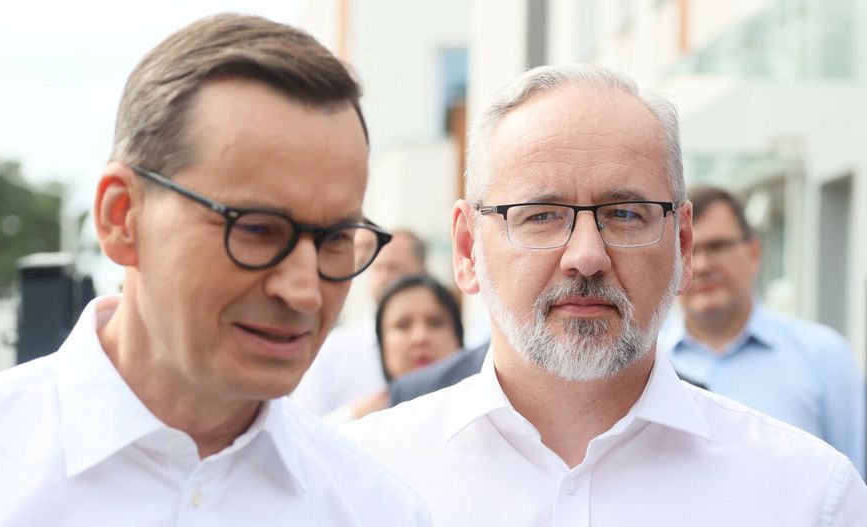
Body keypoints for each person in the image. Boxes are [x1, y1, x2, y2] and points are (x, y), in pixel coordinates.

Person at [0, 14, 430, 525]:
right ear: (122, 216)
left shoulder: (380, 509)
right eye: (257, 229)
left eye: (336, 239)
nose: (305, 291)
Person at [342, 64, 867, 525]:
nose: (586, 255)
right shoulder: (361, 485)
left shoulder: (806, 497)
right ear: (466, 248)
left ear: (683, 245)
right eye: (541, 216)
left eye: (625, 214)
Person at [660, 185, 866, 476]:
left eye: (718, 247)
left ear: (754, 253)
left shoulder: (824, 357)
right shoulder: (646, 362)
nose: (703, 265)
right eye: (689, 250)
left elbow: (855, 481)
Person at [292, 229, 427, 415]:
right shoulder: (332, 349)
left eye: (394, 268)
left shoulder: (449, 346)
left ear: (422, 271)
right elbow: (300, 422)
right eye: (377, 268)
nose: (383, 278)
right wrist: (352, 415)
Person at [326, 273, 464, 422]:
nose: (420, 337)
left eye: (435, 323)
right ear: (382, 343)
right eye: (403, 325)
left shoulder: (480, 412)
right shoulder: (354, 426)